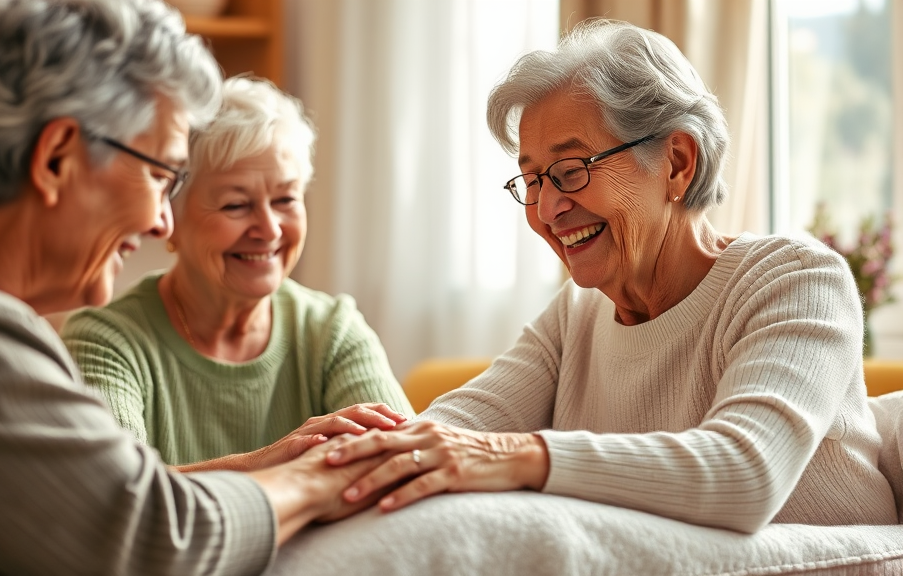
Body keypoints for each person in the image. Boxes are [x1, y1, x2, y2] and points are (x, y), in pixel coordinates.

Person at [323, 19, 897, 534]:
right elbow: (450, 432)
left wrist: (514, 456)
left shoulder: (794, 279)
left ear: (677, 161)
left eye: (570, 170)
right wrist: (326, 459)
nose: (547, 210)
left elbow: (746, 474)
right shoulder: (575, 315)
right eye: (533, 181)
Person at [0, 1, 390, 573]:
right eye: (159, 175)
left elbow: (108, 503)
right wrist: (313, 476)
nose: (160, 222)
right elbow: (153, 538)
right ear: (55, 160)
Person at [62, 77, 413, 472]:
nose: (270, 229)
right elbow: (116, 494)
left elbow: (399, 464)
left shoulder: (332, 331)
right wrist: (270, 461)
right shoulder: (104, 340)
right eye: (235, 205)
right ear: (170, 217)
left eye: (285, 199)